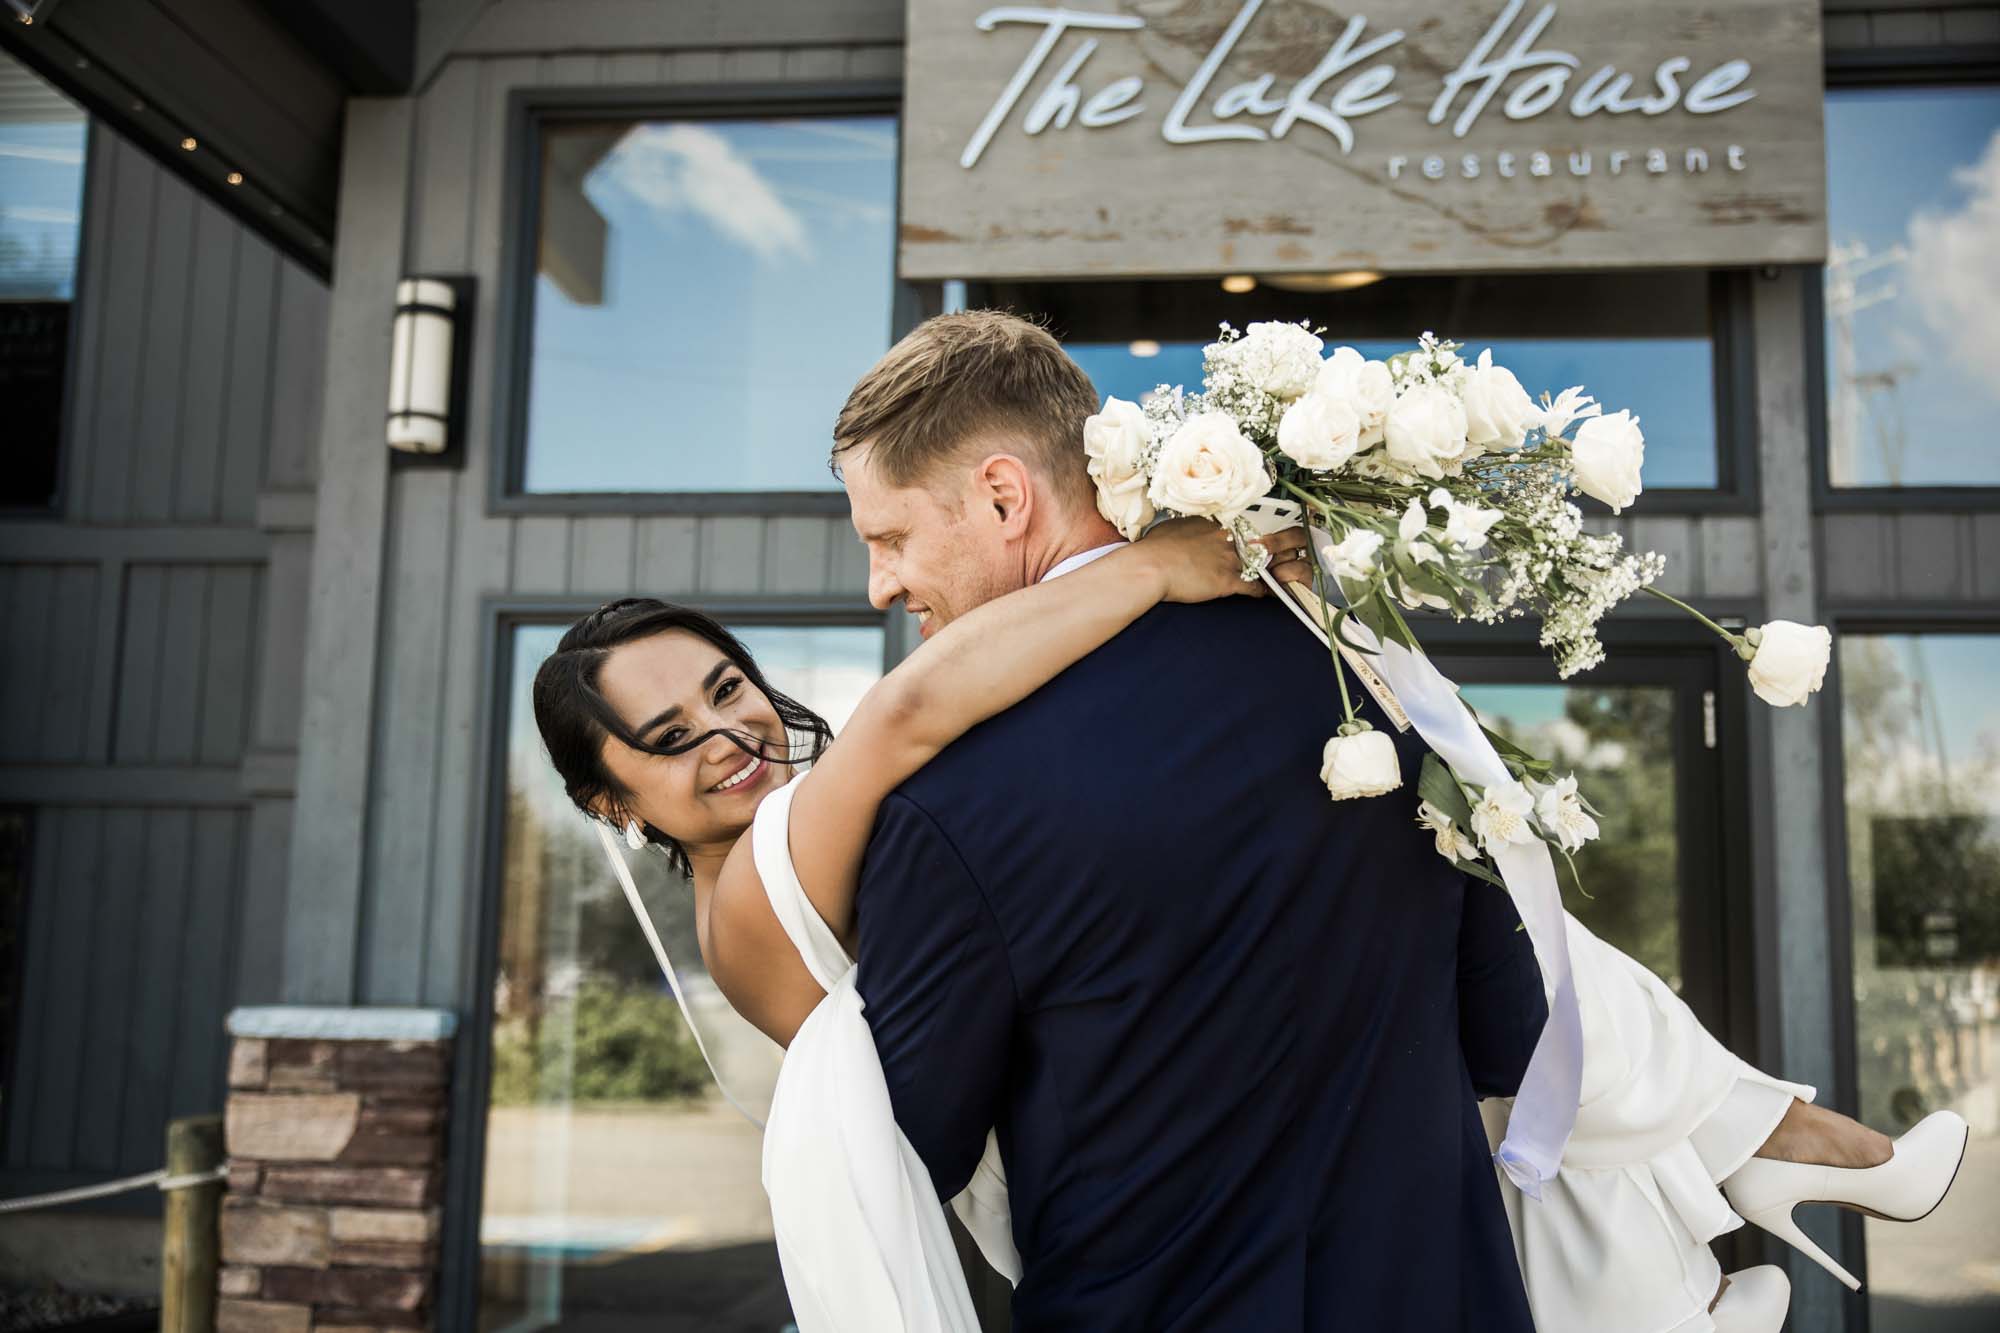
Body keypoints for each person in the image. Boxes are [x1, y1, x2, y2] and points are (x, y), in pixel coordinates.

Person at [534, 311, 1966, 1333]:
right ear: (613, 798)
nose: (880, 585)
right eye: (668, 736)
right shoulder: (1349, 675)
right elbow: (1511, 1024)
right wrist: (1160, 568)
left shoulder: (942, 809)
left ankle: (1758, 1131)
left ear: (1003, 494)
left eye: (890, 537)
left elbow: (915, 1143)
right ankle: (1755, 1138)